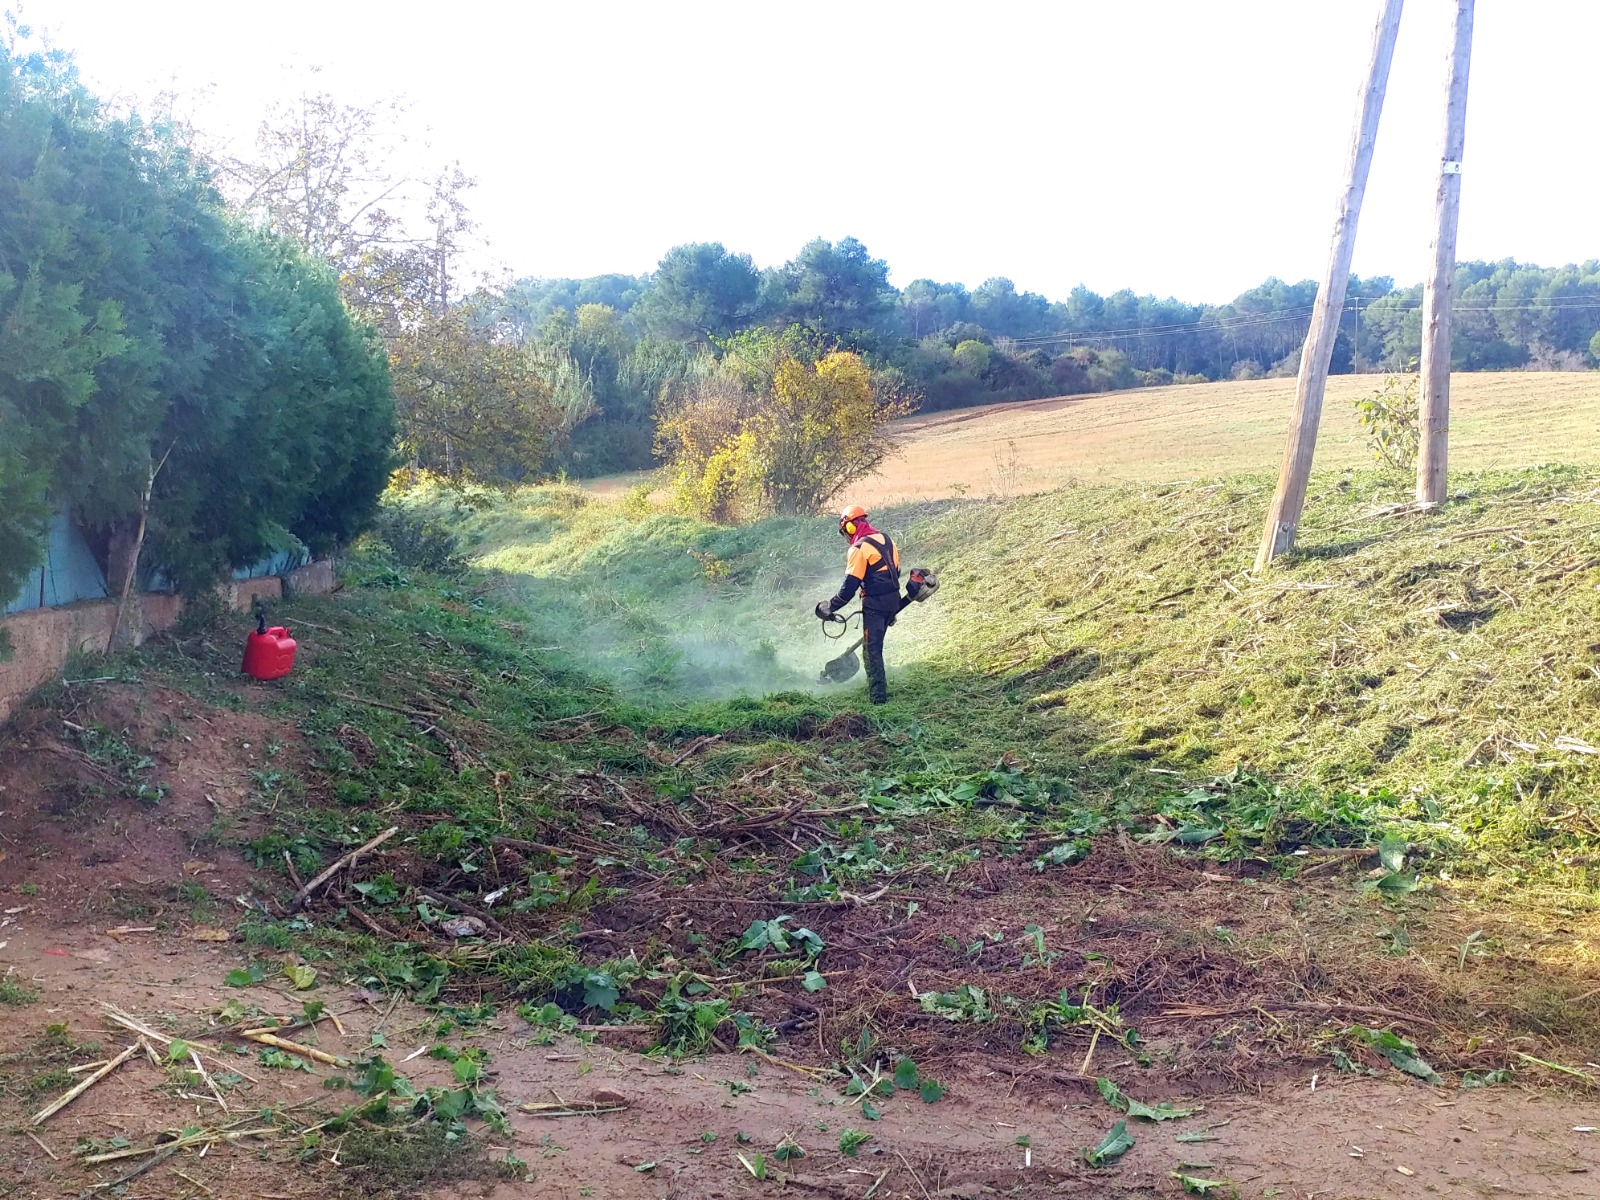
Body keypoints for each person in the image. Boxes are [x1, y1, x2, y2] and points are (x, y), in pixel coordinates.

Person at [815, 504, 902, 705]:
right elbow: (895, 572)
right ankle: (875, 689)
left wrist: (831, 607)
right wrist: (892, 609)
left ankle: (879, 700)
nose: (846, 536)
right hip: (893, 601)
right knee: (871, 647)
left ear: (851, 528)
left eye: (846, 531)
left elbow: (849, 587)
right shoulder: (887, 539)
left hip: (875, 606)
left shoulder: (859, 548)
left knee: (872, 652)